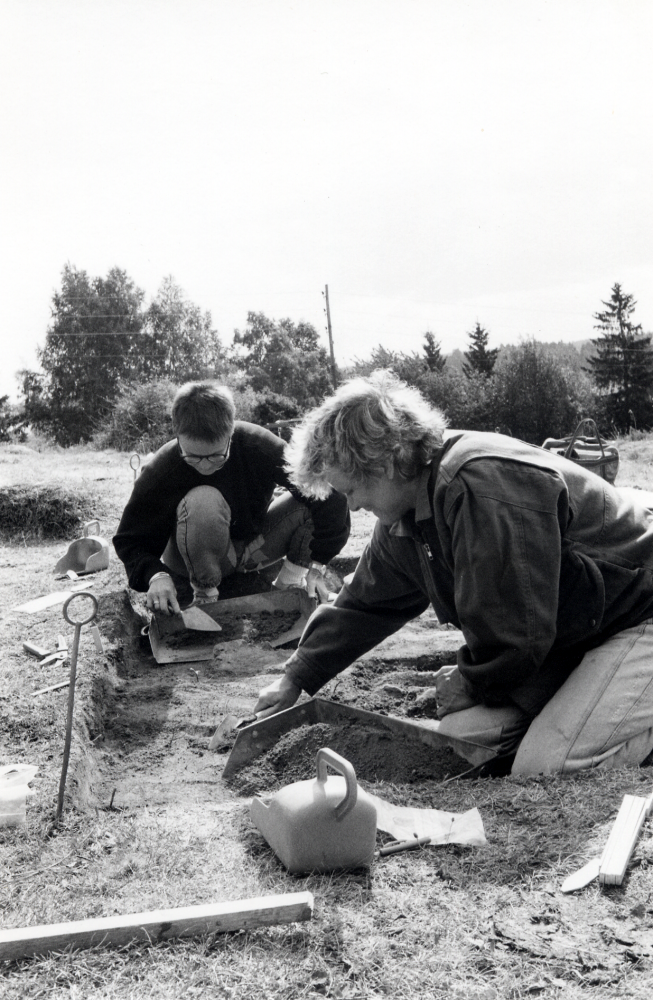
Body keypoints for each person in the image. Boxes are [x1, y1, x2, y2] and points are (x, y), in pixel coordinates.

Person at [255, 370, 653, 776]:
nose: (353, 507)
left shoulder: (478, 485)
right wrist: (295, 676)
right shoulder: (405, 511)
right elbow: (364, 603)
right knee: (460, 740)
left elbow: (517, 634)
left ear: (388, 462)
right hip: (577, 632)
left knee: (546, 766)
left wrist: (467, 681)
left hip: (637, 611)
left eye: (353, 491)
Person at [113, 382, 350, 616]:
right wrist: (156, 575)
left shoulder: (259, 445)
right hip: (191, 559)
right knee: (203, 499)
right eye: (193, 457)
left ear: (230, 433)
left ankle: (287, 588)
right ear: (177, 435)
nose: (205, 466)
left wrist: (318, 563)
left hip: (250, 550)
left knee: (308, 497)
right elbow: (130, 540)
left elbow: (327, 494)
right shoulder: (162, 469)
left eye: (217, 456)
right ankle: (205, 596)